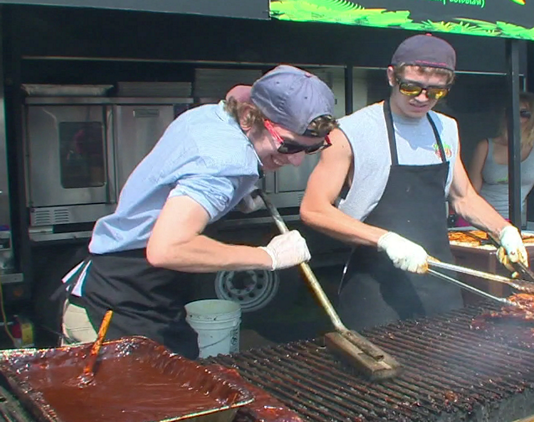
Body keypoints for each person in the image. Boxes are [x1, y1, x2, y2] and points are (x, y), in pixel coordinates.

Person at [59, 65, 338, 359]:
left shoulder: (215, 114)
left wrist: (240, 192)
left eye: (310, 149)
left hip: (126, 282)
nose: (295, 162)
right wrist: (267, 257)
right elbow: (167, 249)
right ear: (250, 118)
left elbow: (238, 91)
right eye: (287, 146)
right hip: (120, 300)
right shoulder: (225, 163)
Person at [299, 34, 529, 331]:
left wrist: (505, 231)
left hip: (437, 281)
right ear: (392, 76)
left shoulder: (446, 129)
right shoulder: (352, 132)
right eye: (411, 87)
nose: (422, 98)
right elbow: (314, 209)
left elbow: (462, 197)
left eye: (435, 92)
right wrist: (386, 240)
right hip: (374, 286)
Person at [468, 92, 534, 233]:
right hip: (479, 218)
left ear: (533, 117)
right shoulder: (486, 146)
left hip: (512, 221)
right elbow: (471, 191)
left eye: (524, 113)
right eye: (512, 112)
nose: (516, 118)